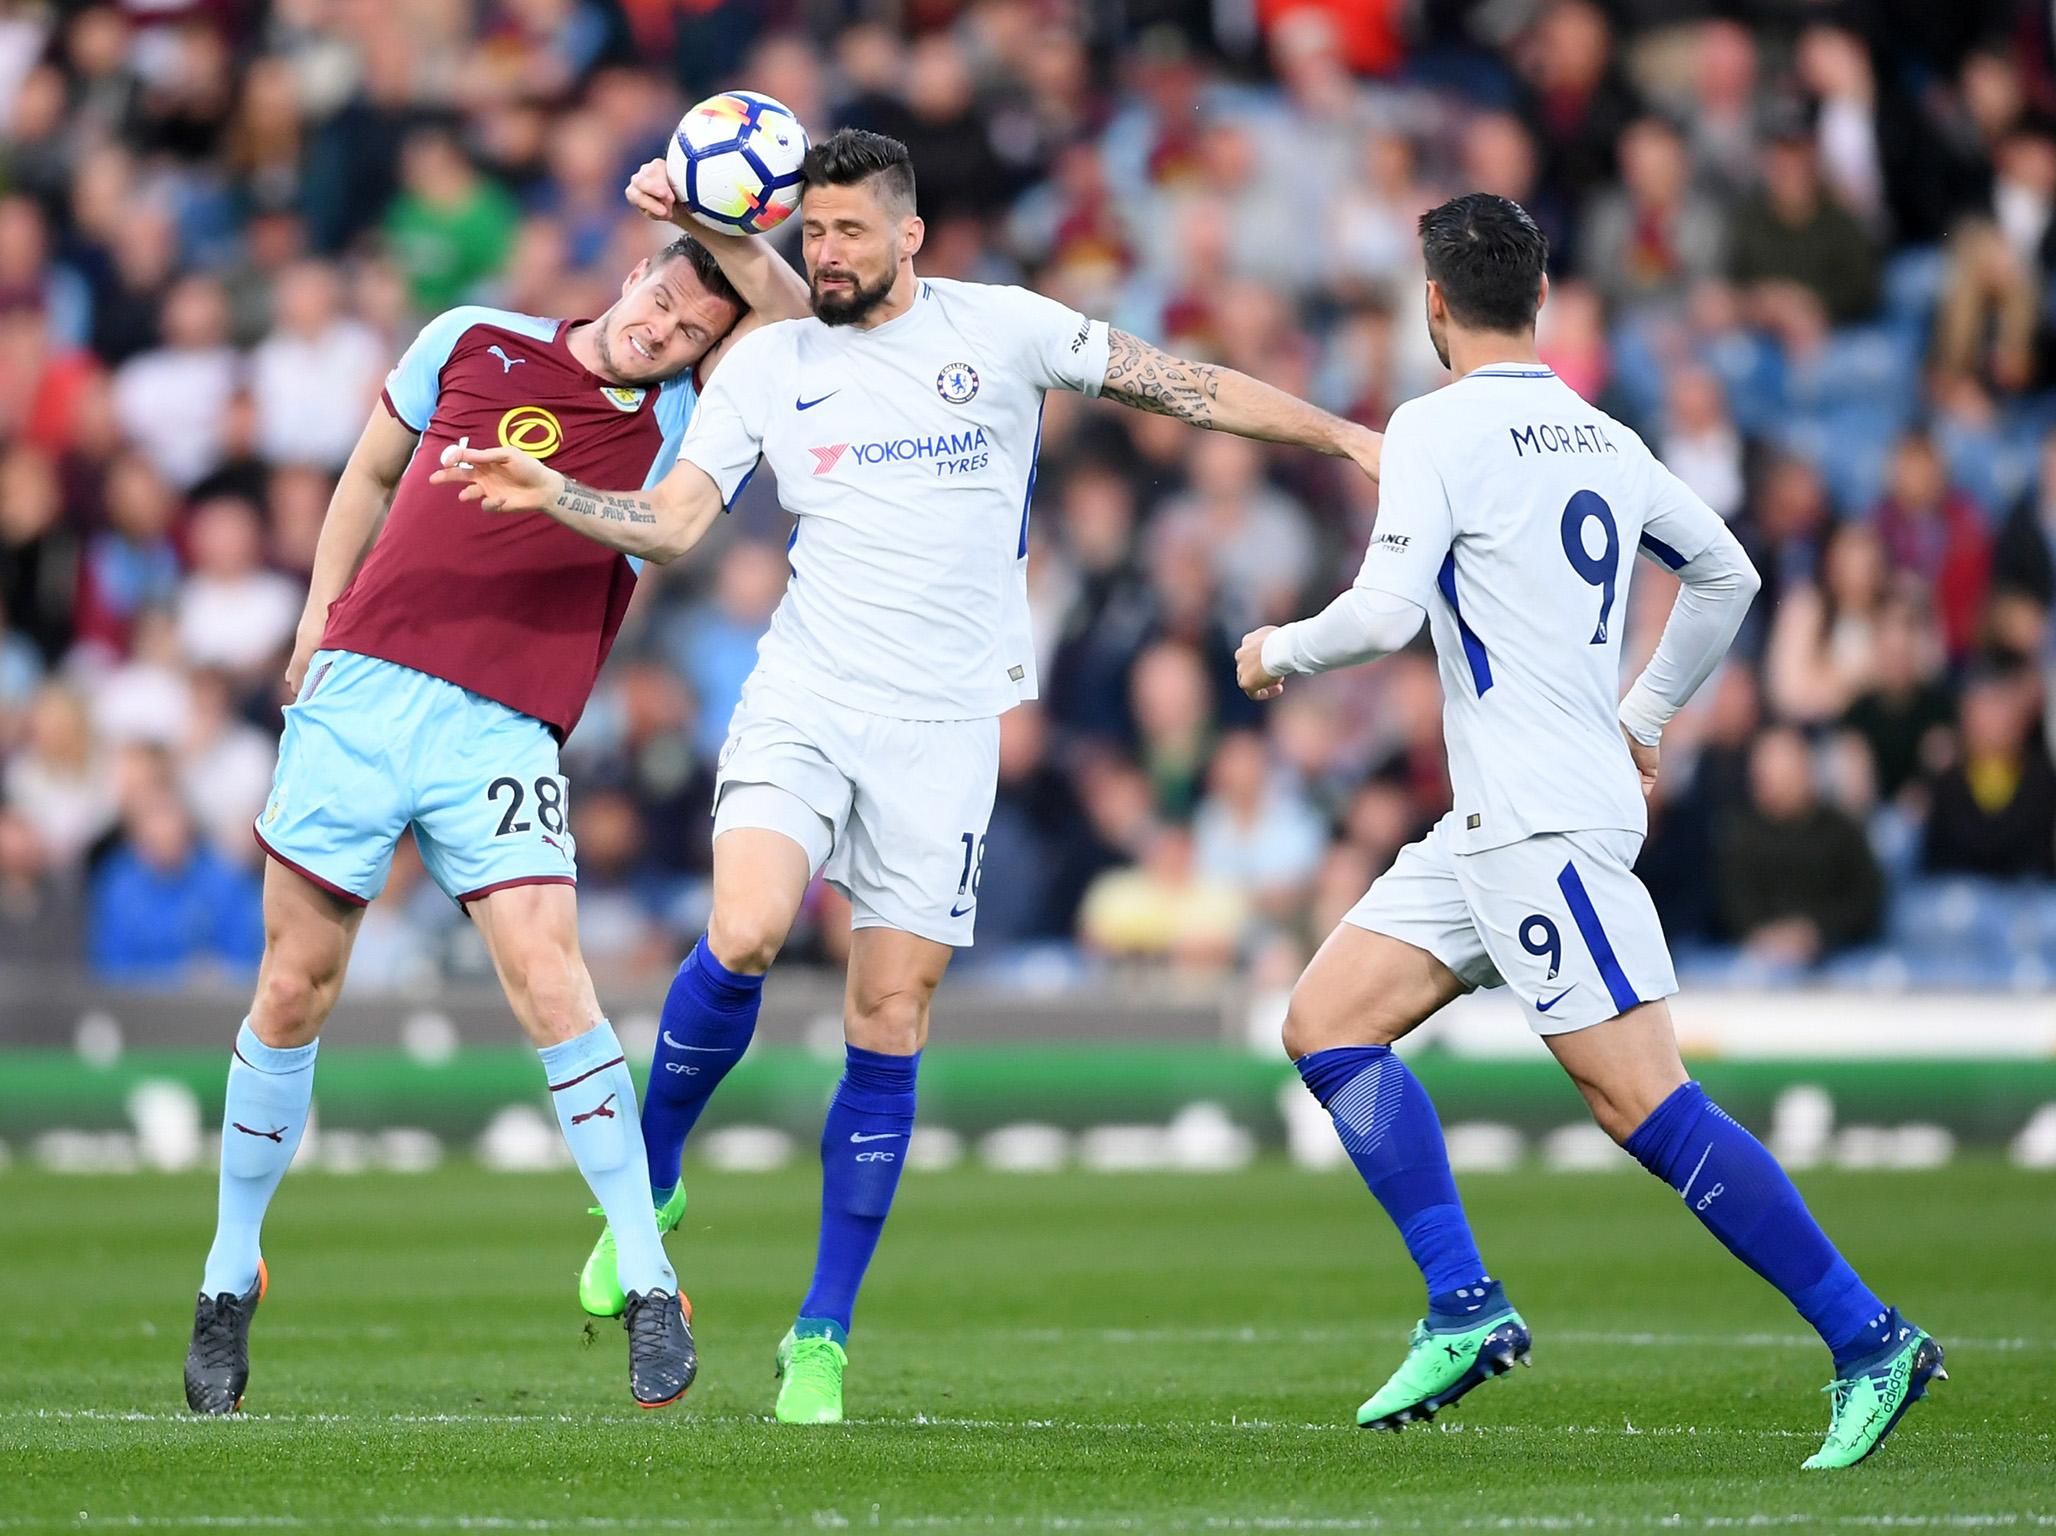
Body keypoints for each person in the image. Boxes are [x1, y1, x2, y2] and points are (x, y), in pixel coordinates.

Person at [435, 127, 1383, 1424]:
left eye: (846, 233)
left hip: (946, 733)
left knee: (888, 1021)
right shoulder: (768, 361)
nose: (824, 254)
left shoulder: (1003, 331)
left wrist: (1343, 438)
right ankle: (647, 1181)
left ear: (909, 235)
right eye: (808, 233)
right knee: (749, 926)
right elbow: (668, 525)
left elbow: (1186, 388)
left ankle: (820, 1335)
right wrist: (552, 492)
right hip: (807, 701)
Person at [1233, 193, 1941, 1470]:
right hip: (1502, 815)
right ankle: (1463, 1299)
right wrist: (1650, 710)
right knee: (1326, 1021)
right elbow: (1727, 570)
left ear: (1432, 303)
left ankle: (1870, 1337)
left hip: (1537, 823)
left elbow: (1384, 610)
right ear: (1541, 297)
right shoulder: (1603, 434)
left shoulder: (1435, 426)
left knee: (1640, 1101)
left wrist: (1275, 651)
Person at [180, 160, 810, 1417]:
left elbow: (787, 320)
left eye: (693, 330)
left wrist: (702, 213)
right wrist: (315, 618)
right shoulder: (472, 335)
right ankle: (226, 1274)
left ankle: (644, 1275)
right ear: (629, 273)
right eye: (663, 302)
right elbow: (366, 476)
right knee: (293, 988)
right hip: (359, 697)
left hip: (502, 730)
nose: (665, 330)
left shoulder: (692, 418)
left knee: (551, 981)